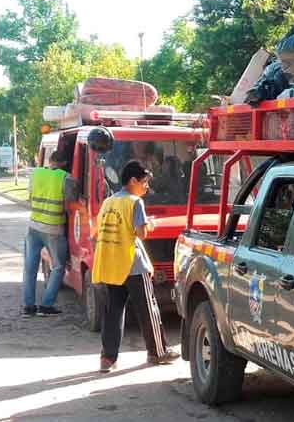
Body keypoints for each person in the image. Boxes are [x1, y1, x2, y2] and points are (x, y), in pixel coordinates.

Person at [90, 148, 179, 372]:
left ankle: (107, 359)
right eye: (145, 182)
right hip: (133, 264)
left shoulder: (108, 202)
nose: (147, 187)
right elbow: (141, 233)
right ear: (132, 181)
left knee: (113, 312)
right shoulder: (134, 202)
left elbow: (97, 231)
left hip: (112, 264)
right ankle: (157, 352)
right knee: (148, 309)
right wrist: (150, 224)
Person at [22, 157, 70, 317]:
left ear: (49, 161)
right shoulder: (65, 177)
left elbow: (29, 197)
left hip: (34, 225)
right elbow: (71, 201)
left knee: (30, 267)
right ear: (63, 163)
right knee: (57, 267)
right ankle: (46, 305)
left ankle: (28, 307)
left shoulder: (35, 173)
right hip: (53, 228)